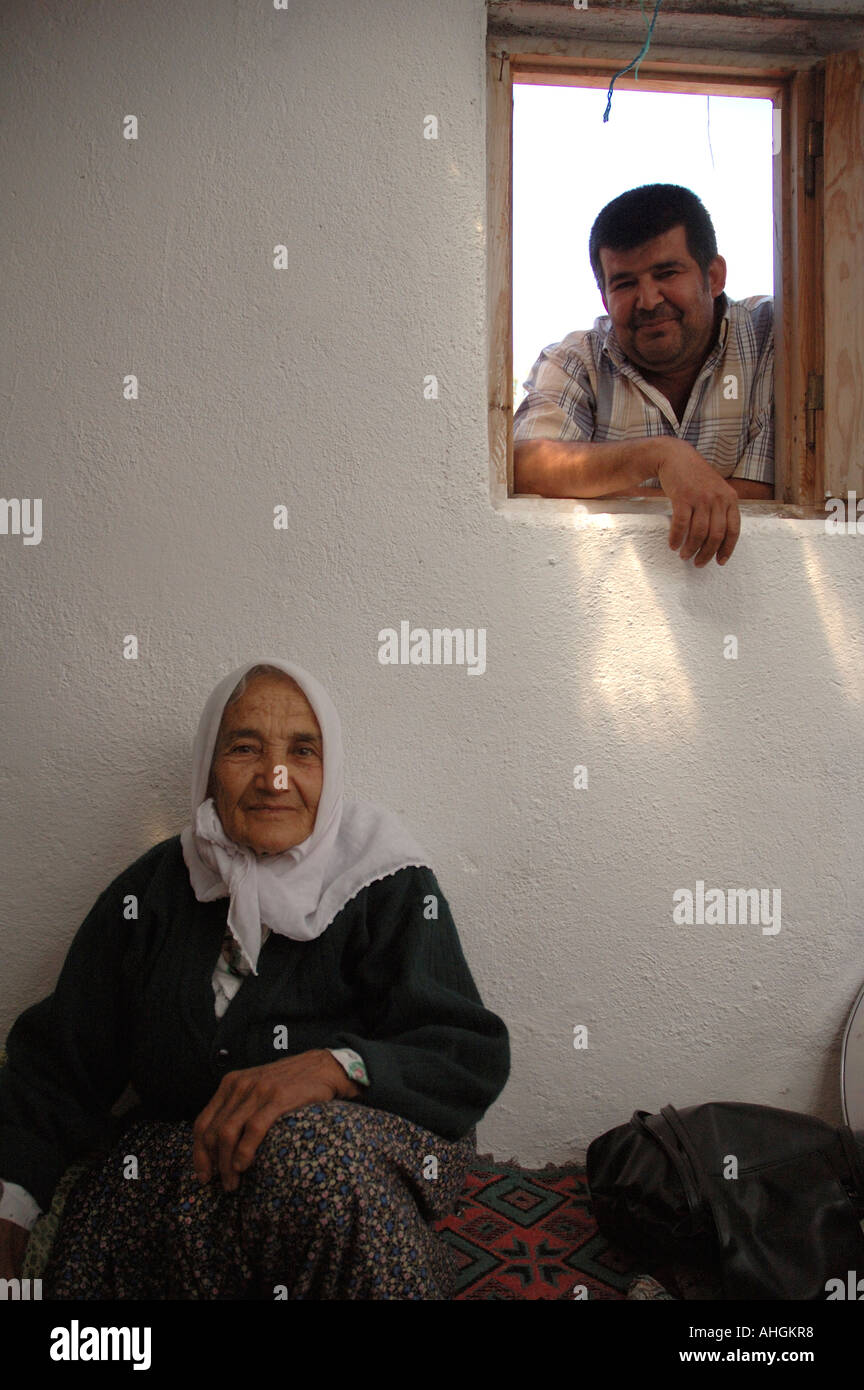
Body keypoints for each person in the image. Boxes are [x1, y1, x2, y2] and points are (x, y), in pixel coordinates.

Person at [0, 659, 510, 1299]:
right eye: (245, 748)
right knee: (115, 1213)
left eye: (303, 751)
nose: (275, 779)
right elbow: (57, 1063)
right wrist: (11, 1205)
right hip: (195, 1161)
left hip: (349, 1162)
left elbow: (466, 1055)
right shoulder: (159, 889)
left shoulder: (384, 881)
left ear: (332, 772)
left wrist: (334, 1069)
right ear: (208, 771)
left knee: (306, 1155)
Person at [513, 184, 774, 568]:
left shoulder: (777, 335)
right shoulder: (575, 359)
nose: (649, 300)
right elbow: (527, 465)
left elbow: (763, 499)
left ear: (714, 276)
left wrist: (592, 488)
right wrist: (660, 456)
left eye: (666, 272)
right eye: (625, 283)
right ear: (604, 298)